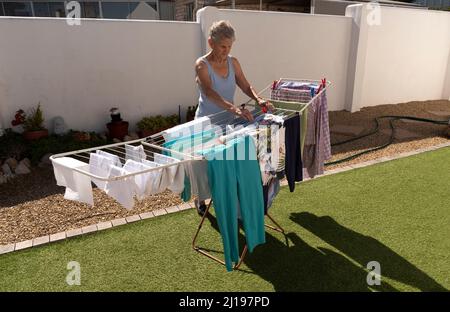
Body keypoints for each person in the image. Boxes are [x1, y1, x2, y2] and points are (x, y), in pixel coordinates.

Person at [194, 20, 273, 216]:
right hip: (206, 122)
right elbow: (210, 92)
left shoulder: (233, 62)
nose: (226, 50)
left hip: (228, 122)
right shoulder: (201, 65)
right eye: (223, 46)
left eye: (230, 46)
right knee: (204, 164)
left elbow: (246, 85)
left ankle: (227, 199)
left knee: (227, 162)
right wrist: (235, 109)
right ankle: (200, 200)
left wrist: (258, 99)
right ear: (211, 42)